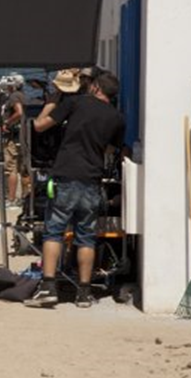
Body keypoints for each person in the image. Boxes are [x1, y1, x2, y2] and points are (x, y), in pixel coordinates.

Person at [25, 69, 125, 308]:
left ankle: (48, 287)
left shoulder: (75, 103)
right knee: (87, 237)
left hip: (65, 175)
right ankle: (84, 292)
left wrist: (51, 101)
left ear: (96, 88)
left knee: (54, 231)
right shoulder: (117, 117)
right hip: (92, 179)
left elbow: (39, 126)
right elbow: (111, 150)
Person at [0, 77, 28, 206]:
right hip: (25, 136)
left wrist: (7, 122)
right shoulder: (23, 96)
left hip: (14, 137)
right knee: (24, 168)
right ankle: (25, 198)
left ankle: (11, 199)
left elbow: (19, 112)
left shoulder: (14, 96)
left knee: (11, 168)